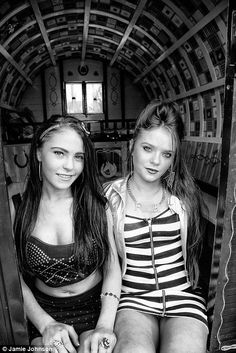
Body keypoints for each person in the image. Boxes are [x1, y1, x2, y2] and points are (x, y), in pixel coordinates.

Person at [104, 100, 208, 353]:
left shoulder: (184, 197)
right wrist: (104, 323)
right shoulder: (109, 197)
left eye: (167, 154)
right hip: (132, 300)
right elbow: (108, 265)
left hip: (183, 297)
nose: (155, 161)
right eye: (147, 148)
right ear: (132, 146)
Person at [13, 115, 121, 352]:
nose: (70, 166)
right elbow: (13, 278)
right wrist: (45, 324)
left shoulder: (97, 205)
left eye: (78, 157)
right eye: (59, 153)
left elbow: (112, 267)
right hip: (42, 313)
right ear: (39, 153)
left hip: (98, 309)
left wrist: (105, 326)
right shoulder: (17, 206)